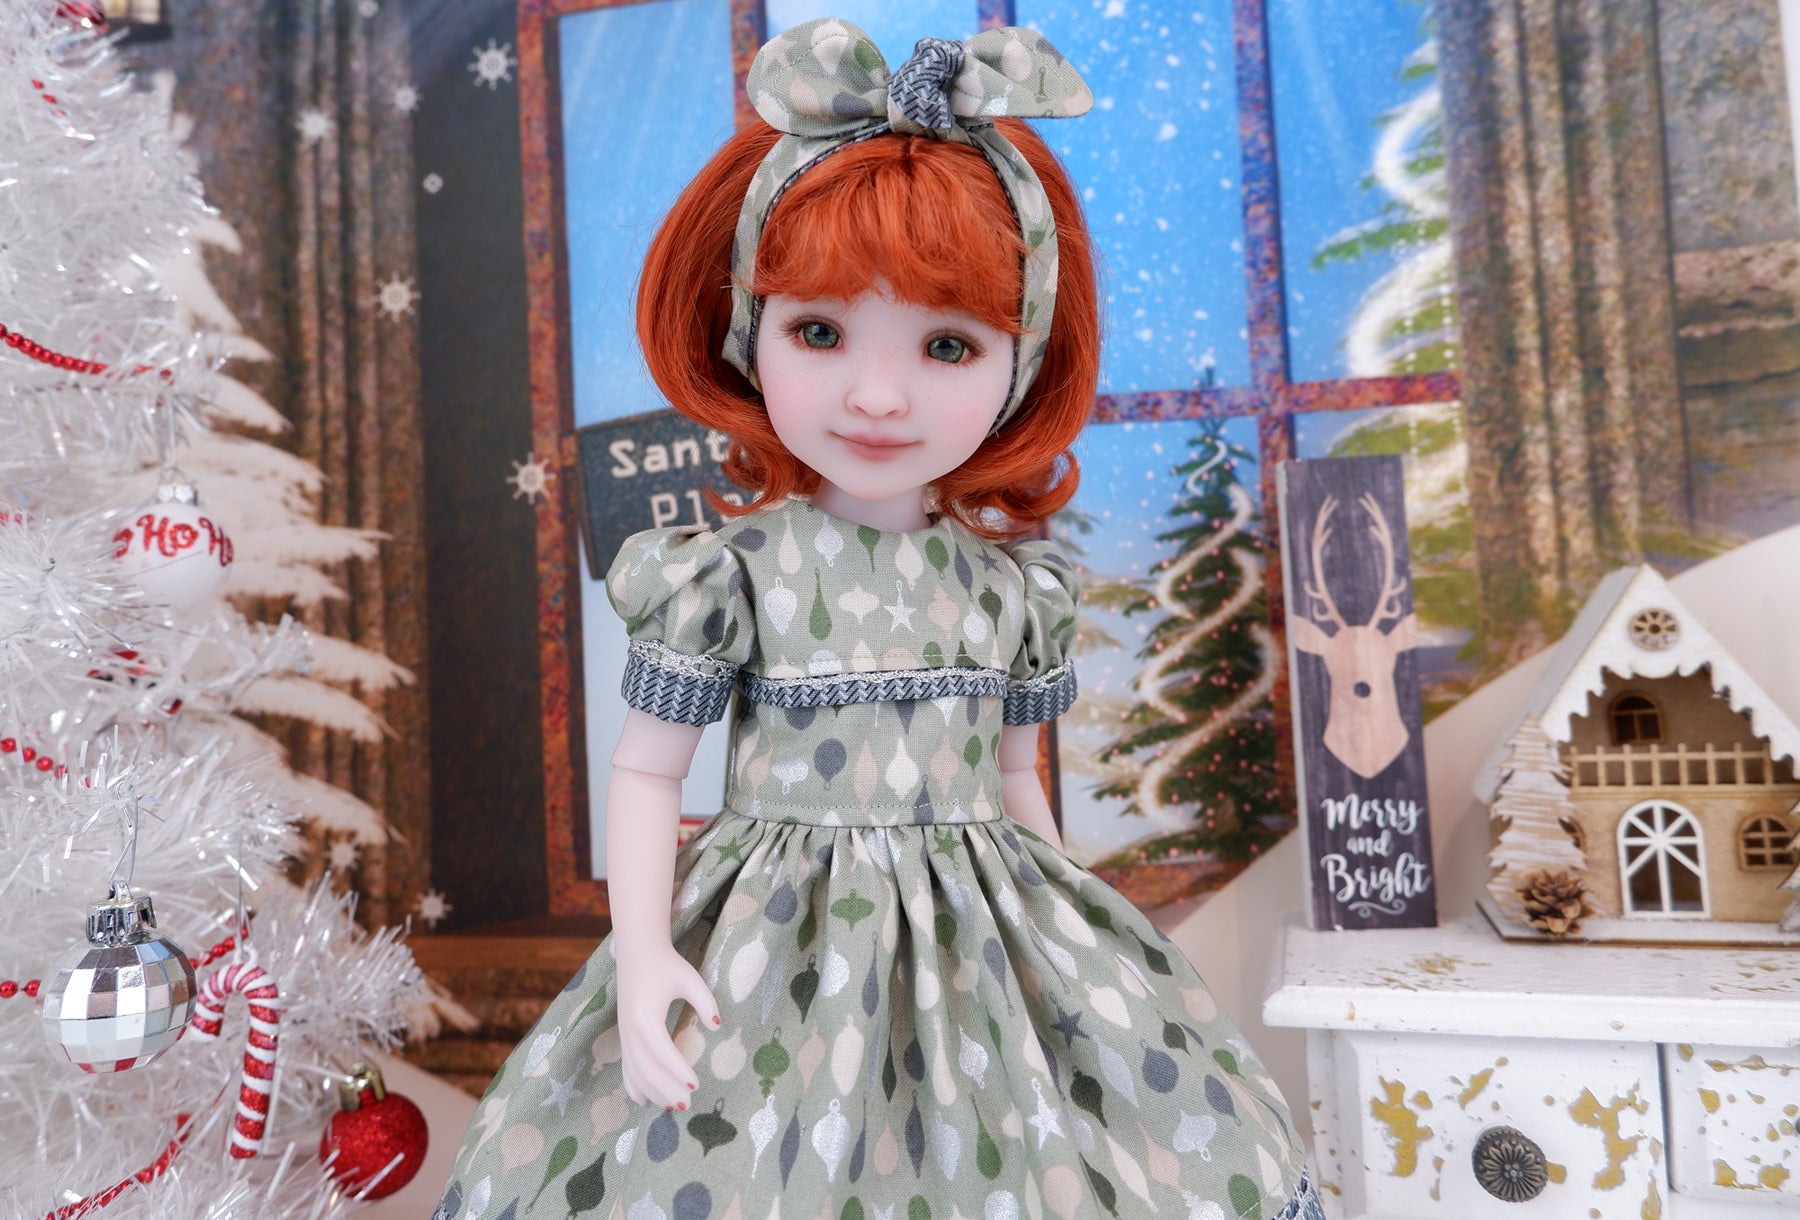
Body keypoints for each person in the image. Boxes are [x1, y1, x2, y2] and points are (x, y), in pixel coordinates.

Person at [434, 19, 1321, 1220]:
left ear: (1021, 365)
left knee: (1001, 1157)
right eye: (819, 330)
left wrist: (1077, 932)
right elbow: (647, 771)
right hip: (774, 939)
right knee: (757, 1161)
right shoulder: (729, 576)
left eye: (948, 344)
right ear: (749, 336)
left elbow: (1016, 782)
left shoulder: (1010, 590)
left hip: (982, 937)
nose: (878, 393)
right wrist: (642, 955)